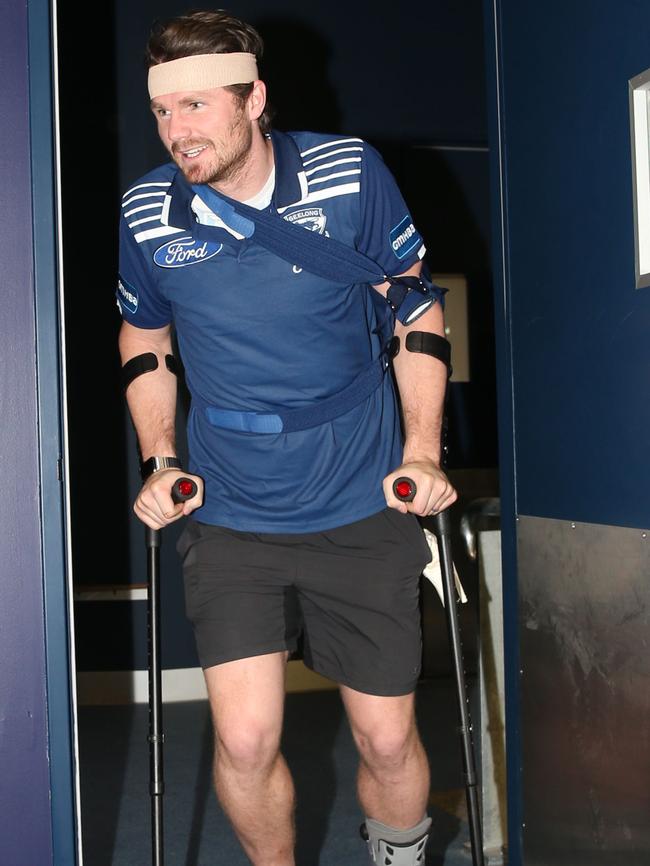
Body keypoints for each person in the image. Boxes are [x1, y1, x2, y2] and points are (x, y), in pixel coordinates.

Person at [117, 10, 457, 865]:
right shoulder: (148, 210)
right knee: (243, 740)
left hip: (359, 487)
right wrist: (161, 459)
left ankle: (399, 856)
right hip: (232, 506)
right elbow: (144, 336)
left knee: (384, 738)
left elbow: (414, 305)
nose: (176, 131)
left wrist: (422, 451)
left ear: (254, 98)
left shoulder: (349, 175)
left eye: (196, 107)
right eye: (163, 111)